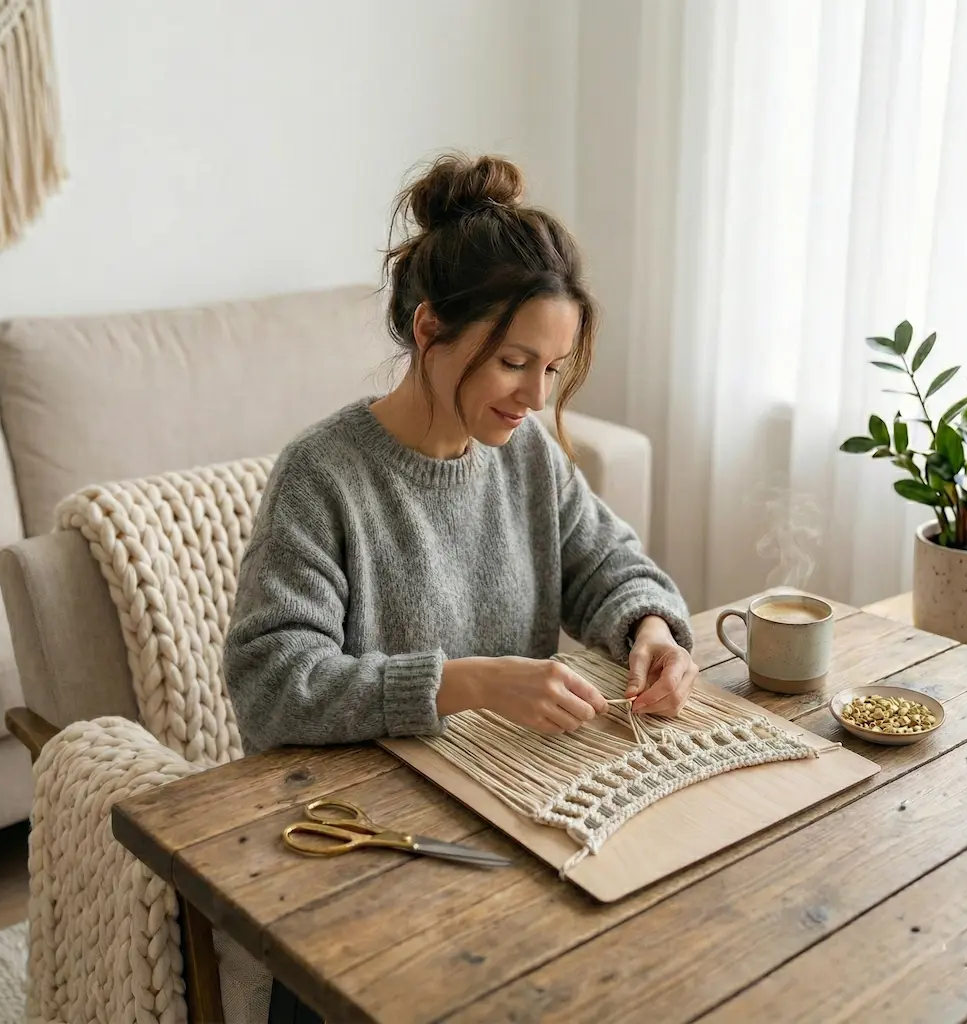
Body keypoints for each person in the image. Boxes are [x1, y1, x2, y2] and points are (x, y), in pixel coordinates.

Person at [225, 151, 699, 1023]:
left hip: (511, 811)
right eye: (516, 361)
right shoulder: (323, 476)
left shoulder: (523, 458)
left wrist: (650, 629)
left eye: (552, 369)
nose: (534, 395)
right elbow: (269, 686)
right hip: (359, 848)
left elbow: (608, 564)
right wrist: (464, 680)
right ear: (431, 330)